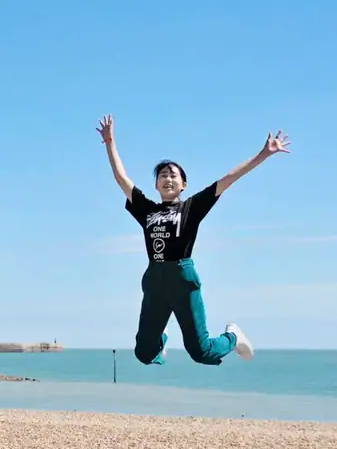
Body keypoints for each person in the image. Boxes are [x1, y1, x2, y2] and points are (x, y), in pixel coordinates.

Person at [97, 114, 289, 367]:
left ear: (184, 184)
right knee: (143, 353)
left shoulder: (192, 207)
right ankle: (160, 340)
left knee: (201, 351)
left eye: (173, 175)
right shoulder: (147, 210)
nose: (168, 178)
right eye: (163, 175)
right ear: (156, 184)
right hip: (154, 279)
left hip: (182, 278)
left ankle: (233, 336)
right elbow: (121, 179)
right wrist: (110, 142)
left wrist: (264, 154)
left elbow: (229, 178)